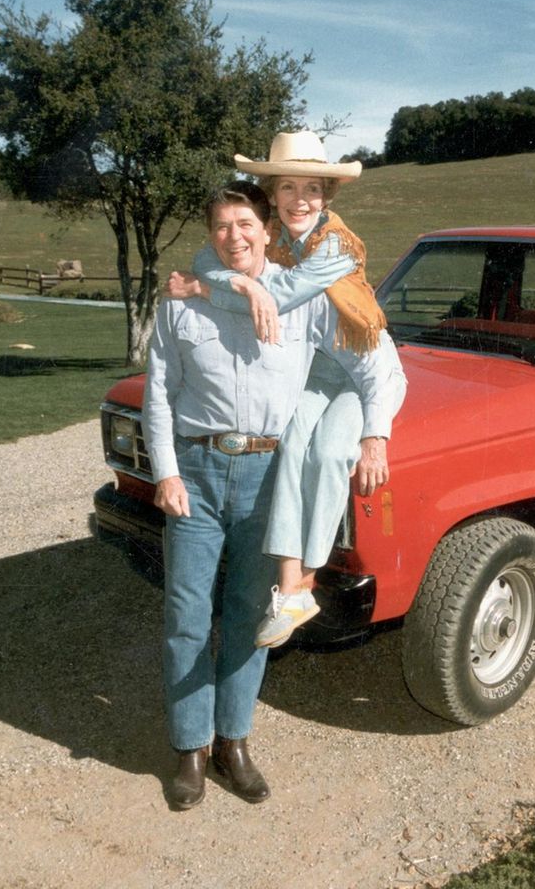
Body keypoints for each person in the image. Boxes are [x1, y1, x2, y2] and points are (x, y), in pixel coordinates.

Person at [144, 181, 399, 810]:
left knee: (251, 616)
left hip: (266, 480)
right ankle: (189, 751)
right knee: (185, 616)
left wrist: (374, 435)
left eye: (245, 224)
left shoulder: (306, 302)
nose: (235, 236)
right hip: (197, 477)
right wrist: (167, 473)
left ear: (266, 230)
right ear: (211, 237)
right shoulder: (181, 302)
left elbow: (374, 365)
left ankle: (233, 743)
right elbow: (158, 393)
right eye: (222, 226)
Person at [164, 130, 406, 650]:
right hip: (319, 369)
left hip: (367, 369)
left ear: (328, 195)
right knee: (291, 446)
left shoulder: (338, 245)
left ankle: (308, 582)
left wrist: (375, 436)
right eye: (289, 188)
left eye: (313, 189)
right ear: (271, 196)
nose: (302, 200)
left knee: (327, 451)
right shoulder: (270, 235)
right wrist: (243, 282)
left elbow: (284, 292)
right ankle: (289, 590)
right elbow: (210, 256)